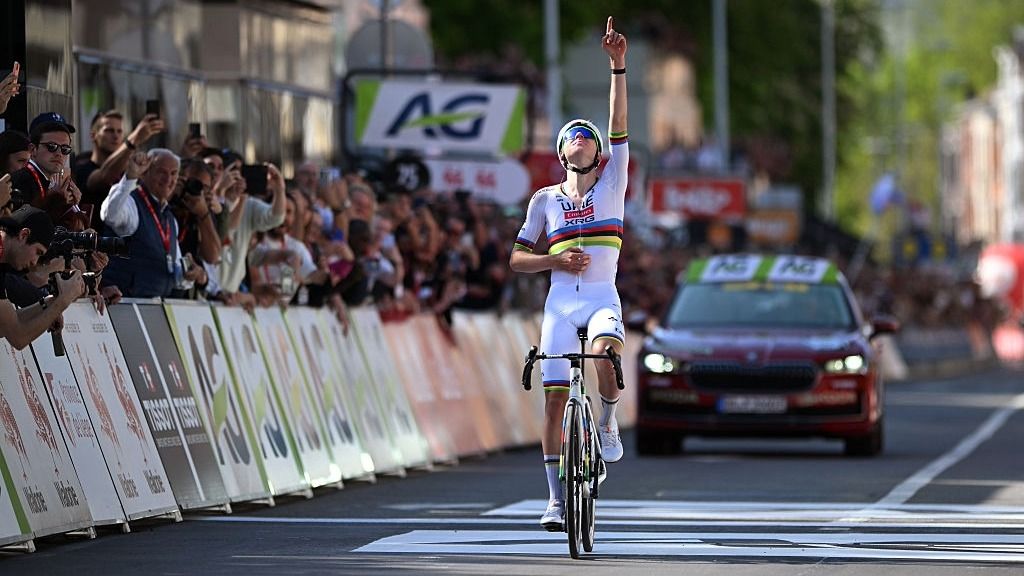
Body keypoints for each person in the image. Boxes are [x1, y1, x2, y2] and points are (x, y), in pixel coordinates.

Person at [508, 16, 628, 531]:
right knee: (554, 401)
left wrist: (618, 66)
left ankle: (607, 421)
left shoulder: (613, 184)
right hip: (559, 302)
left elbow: (619, 124)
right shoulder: (544, 200)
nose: (581, 138)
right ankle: (556, 501)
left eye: (588, 136)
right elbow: (517, 259)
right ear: (562, 153)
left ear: (599, 154)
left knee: (604, 356)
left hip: (601, 296)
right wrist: (553, 261)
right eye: (572, 135)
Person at [99, 149, 203, 297]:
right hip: (124, 303)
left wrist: (189, 274)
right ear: (144, 173)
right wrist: (130, 178)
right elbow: (110, 215)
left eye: (173, 173)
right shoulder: (130, 201)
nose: (168, 179)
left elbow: (173, 272)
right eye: (161, 172)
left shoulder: (170, 219)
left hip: (155, 305)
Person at [74, 109, 164, 228]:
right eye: (109, 130)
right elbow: (104, 176)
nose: (115, 136)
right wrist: (134, 139)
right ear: (93, 135)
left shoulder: (131, 169)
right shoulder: (81, 165)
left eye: (119, 131)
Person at [9, 113, 81, 213]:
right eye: (51, 146)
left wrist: (70, 207)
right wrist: (54, 202)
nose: (59, 154)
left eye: (65, 149)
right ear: (33, 149)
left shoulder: (53, 182)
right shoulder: (21, 181)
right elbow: (23, 221)